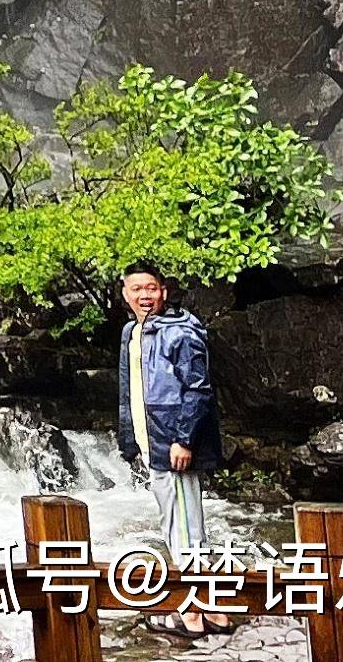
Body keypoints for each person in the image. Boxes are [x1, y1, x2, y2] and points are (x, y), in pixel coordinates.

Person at [118, 262, 224, 630]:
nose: (144, 296)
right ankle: (210, 607)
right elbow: (130, 390)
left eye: (151, 288)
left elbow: (198, 389)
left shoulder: (182, 332)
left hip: (173, 442)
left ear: (163, 292)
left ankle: (194, 610)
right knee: (181, 522)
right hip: (153, 441)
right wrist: (130, 439)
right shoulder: (133, 332)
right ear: (125, 293)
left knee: (183, 526)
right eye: (137, 289)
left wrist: (183, 439)